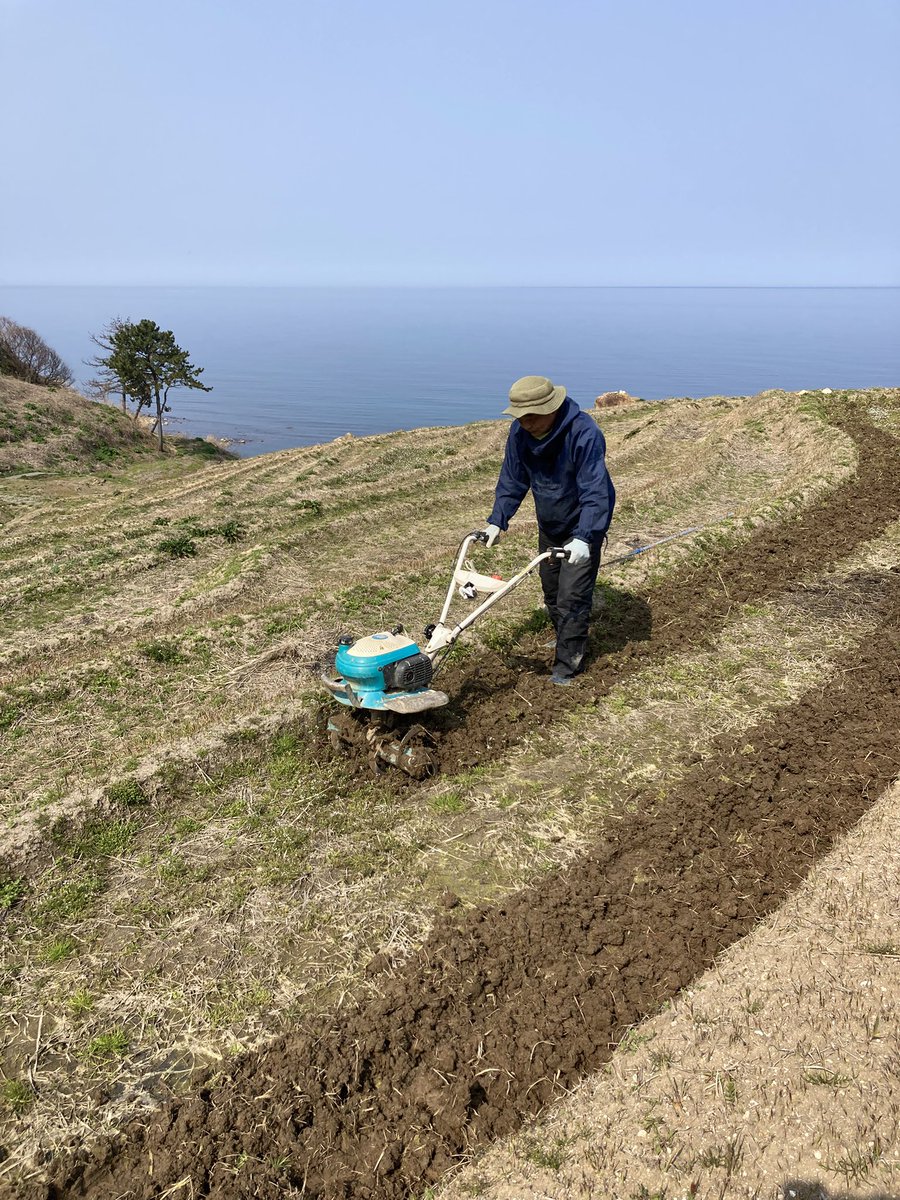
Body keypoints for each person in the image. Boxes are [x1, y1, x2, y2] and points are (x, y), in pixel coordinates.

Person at [482, 375, 615, 685]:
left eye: (531, 416)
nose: (525, 423)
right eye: (520, 417)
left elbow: (596, 492)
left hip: (583, 525)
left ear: (551, 408)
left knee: (573, 596)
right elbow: (513, 479)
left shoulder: (584, 433)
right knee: (552, 592)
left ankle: (568, 664)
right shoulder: (520, 433)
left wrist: (585, 538)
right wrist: (497, 520)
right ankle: (565, 638)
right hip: (551, 523)